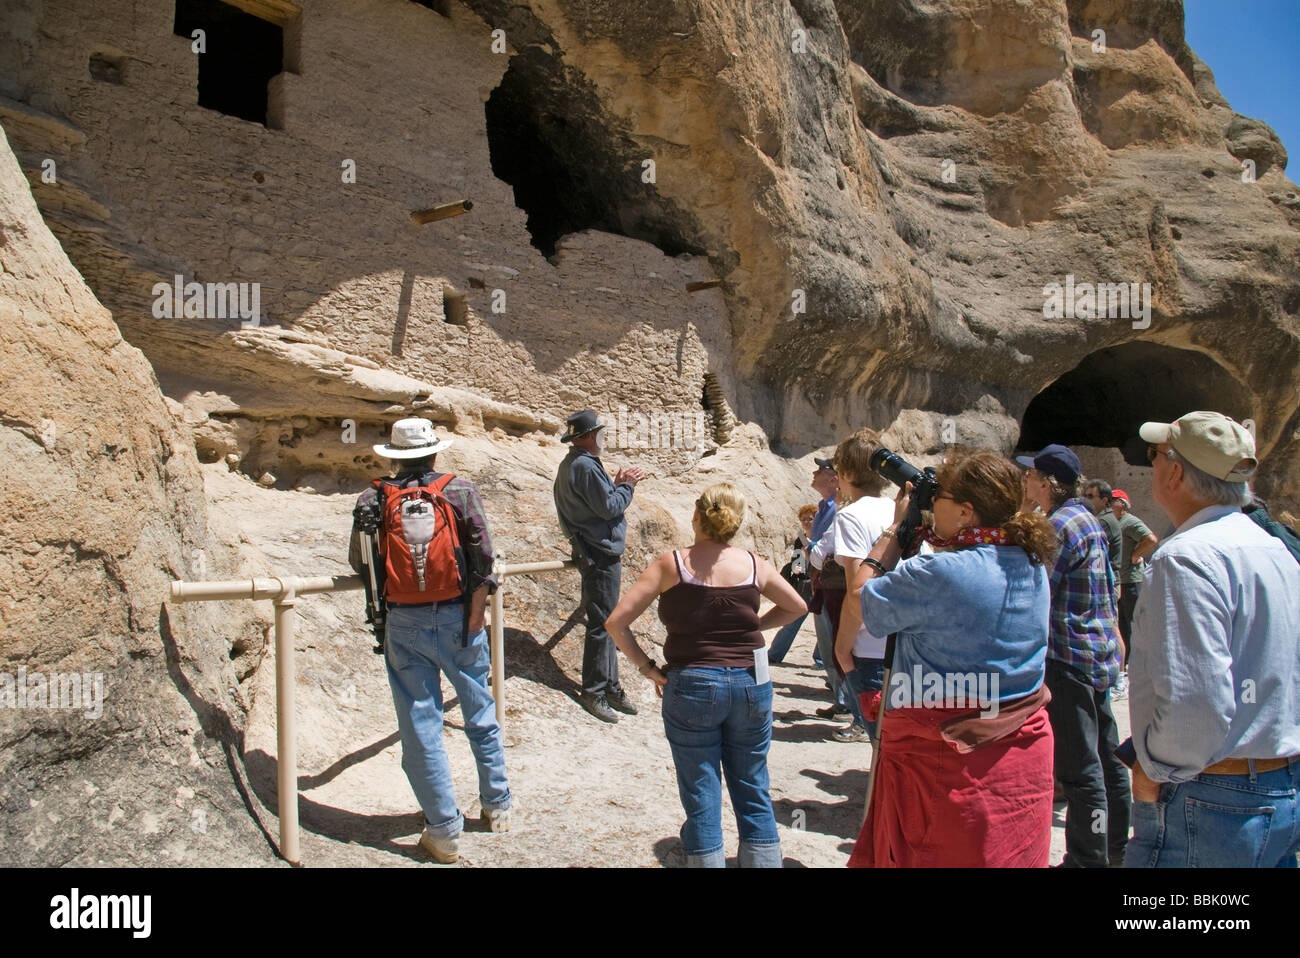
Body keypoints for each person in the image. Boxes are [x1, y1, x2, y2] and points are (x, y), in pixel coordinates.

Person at [846, 452, 1058, 867]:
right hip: (1015, 754)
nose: (929, 505)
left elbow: (859, 600)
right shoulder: (1030, 561)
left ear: (965, 511)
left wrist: (894, 531)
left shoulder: (941, 573)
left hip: (946, 764)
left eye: (937, 496)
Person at [1126, 411, 1300, 868]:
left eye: (1156, 456)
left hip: (1207, 797)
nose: (1154, 467)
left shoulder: (1187, 557)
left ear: (1176, 472)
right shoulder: (1274, 547)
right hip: (1279, 785)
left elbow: (1196, 701)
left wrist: (1154, 769)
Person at [605, 483, 807, 867]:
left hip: (693, 682)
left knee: (701, 791)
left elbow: (617, 622)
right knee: (752, 784)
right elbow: (797, 606)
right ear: (736, 523)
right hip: (751, 681)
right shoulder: (753, 563)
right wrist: (758, 625)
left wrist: (648, 668)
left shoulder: (672, 564)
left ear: (696, 516)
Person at [348, 418, 511, 864]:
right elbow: (484, 554)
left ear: (394, 457)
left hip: (404, 622)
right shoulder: (459, 491)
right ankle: (496, 805)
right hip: (461, 617)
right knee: (479, 708)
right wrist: (476, 614)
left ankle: (442, 830)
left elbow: (359, 561)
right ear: (435, 453)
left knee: (421, 724)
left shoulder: (374, 497)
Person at [1021, 443, 1130, 867]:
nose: (1026, 481)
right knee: (1107, 758)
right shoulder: (1088, 517)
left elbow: (1039, 591)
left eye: (1031, 476)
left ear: (1046, 483)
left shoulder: (1058, 526)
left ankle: (1087, 859)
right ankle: (1115, 848)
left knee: (1081, 771)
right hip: (1097, 653)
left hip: (1068, 659)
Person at [553, 409, 645, 723]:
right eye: (600, 433)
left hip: (593, 553)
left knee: (608, 623)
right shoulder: (583, 465)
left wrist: (615, 484)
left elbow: (598, 500)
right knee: (603, 625)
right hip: (599, 555)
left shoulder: (574, 464)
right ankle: (594, 691)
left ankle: (611, 687)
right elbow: (608, 508)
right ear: (590, 435)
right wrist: (627, 486)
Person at [820, 428, 895, 744]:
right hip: (904, 643)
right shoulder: (898, 511)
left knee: (882, 745)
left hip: (870, 646)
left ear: (847, 472)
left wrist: (842, 648)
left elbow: (856, 591)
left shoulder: (850, 517)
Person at [808, 457, 854, 717]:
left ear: (834, 479)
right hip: (824, 584)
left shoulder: (838, 510)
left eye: (821, 469)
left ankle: (847, 703)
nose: (814, 472)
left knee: (836, 642)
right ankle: (842, 699)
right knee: (828, 645)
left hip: (835, 585)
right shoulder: (826, 507)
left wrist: (812, 550)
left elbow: (831, 548)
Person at [1108, 489, 1158, 670]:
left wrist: (1136, 555)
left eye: (1112, 500)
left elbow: (1151, 539)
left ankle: (1138, 660)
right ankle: (1127, 660)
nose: (1109, 502)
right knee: (1122, 624)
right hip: (1121, 580)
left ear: (1122, 503)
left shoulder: (1130, 522)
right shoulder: (1114, 523)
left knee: (1134, 621)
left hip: (1132, 580)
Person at [769, 504, 818, 663]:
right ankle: (775, 654)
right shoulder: (801, 539)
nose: (806, 522)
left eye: (809, 519)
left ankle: (820, 659)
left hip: (821, 585)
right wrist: (797, 566)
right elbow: (797, 562)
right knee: (793, 620)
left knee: (825, 626)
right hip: (804, 585)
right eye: (803, 519)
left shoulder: (824, 537)